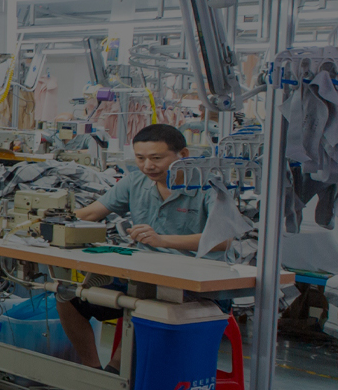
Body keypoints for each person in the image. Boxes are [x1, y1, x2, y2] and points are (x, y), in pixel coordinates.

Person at [59, 123, 218, 370]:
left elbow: (223, 239)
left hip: (193, 282)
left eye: (156, 158)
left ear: (183, 155)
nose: (147, 166)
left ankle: (116, 374)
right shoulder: (136, 182)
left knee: (145, 303)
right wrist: (48, 218)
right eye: (140, 158)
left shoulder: (208, 187)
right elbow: (91, 214)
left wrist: (162, 241)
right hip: (143, 273)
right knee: (67, 296)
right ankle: (92, 372)